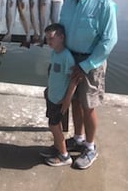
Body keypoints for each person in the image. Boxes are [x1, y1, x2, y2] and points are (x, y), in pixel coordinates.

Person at [59, 0, 118, 169]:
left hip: (91, 61)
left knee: (88, 105)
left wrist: (87, 65)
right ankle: (78, 137)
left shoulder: (105, 3)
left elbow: (109, 40)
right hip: (69, 58)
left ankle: (91, 147)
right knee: (74, 102)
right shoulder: (68, 1)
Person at [40, 23, 78, 167]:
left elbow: (73, 80)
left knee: (54, 125)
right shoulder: (54, 52)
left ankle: (64, 155)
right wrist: (48, 90)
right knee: (54, 123)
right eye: (47, 39)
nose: (49, 42)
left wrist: (67, 99)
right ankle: (58, 148)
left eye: (51, 38)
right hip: (52, 95)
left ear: (61, 37)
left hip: (59, 99)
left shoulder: (67, 56)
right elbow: (54, 75)